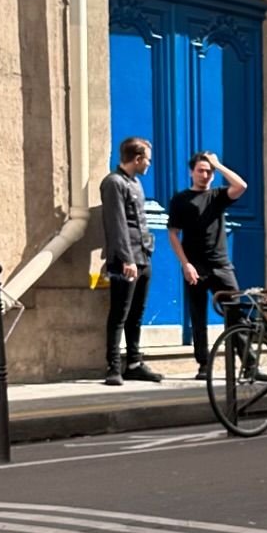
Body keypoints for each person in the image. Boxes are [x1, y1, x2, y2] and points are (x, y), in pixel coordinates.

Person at [166, 152, 249, 378]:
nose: (206, 175)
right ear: (191, 172)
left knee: (235, 313)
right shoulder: (180, 200)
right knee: (198, 316)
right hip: (195, 266)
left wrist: (218, 164)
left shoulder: (218, 195)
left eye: (209, 171)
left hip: (221, 265)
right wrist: (185, 264)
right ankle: (204, 365)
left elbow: (241, 185)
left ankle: (249, 365)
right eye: (201, 170)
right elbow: (173, 233)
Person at [99, 136, 164, 386]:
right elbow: (117, 224)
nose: (149, 163)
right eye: (147, 158)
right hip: (126, 260)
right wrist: (127, 259)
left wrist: (142, 256)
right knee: (120, 313)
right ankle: (113, 367)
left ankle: (134, 363)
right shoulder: (114, 183)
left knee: (137, 313)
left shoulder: (135, 183)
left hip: (143, 256)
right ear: (137, 159)